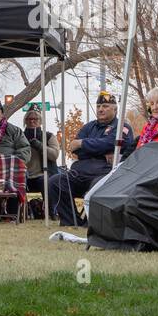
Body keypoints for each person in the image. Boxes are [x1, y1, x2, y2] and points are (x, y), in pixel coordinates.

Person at [46, 92, 136, 226]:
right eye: (99, 106)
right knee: (55, 182)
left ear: (115, 109)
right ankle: (72, 221)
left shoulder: (122, 127)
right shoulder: (89, 127)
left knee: (98, 186)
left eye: (105, 106)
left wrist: (83, 143)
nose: (100, 109)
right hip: (79, 173)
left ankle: (92, 223)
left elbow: (112, 143)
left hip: (104, 174)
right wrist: (100, 150)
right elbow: (74, 148)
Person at [22, 106, 60, 200]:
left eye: (35, 119)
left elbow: (54, 155)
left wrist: (40, 146)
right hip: (24, 175)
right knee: (15, 183)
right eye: (29, 118)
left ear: (41, 121)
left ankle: (51, 212)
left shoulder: (48, 136)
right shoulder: (19, 136)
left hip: (43, 175)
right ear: (25, 121)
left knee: (46, 183)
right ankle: (20, 212)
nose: (32, 121)